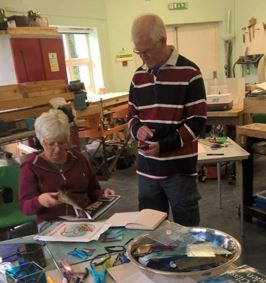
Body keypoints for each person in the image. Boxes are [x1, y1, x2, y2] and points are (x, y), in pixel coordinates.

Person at [128, 14, 207, 226]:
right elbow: (132, 115)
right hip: (147, 171)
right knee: (150, 233)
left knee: (187, 233)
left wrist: (163, 146)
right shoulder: (138, 76)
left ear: (162, 41)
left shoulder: (190, 73)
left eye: (147, 51)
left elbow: (197, 121)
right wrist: (138, 130)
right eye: (139, 52)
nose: (143, 58)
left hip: (179, 172)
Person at [19, 109, 115, 226]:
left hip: (86, 218)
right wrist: (40, 201)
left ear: (67, 139)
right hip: (51, 222)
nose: (57, 149)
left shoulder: (79, 159)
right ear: (41, 141)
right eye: (51, 144)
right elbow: (25, 207)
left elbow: (93, 191)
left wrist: (103, 193)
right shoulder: (31, 167)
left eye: (62, 142)